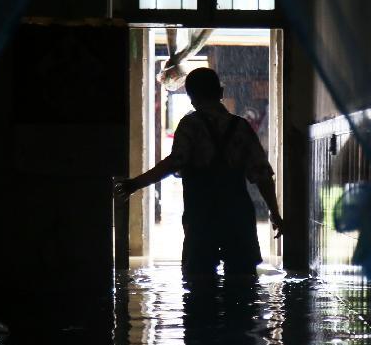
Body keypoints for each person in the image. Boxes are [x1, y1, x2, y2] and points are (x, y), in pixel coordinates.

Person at [115, 68, 283, 278]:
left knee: (199, 284)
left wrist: (135, 184)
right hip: (237, 215)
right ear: (221, 92)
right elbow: (262, 175)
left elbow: (173, 164)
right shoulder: (241, 127)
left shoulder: (190, 126)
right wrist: (275, 213)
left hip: (202, 215)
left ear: (191, 97)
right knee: (243, 284)